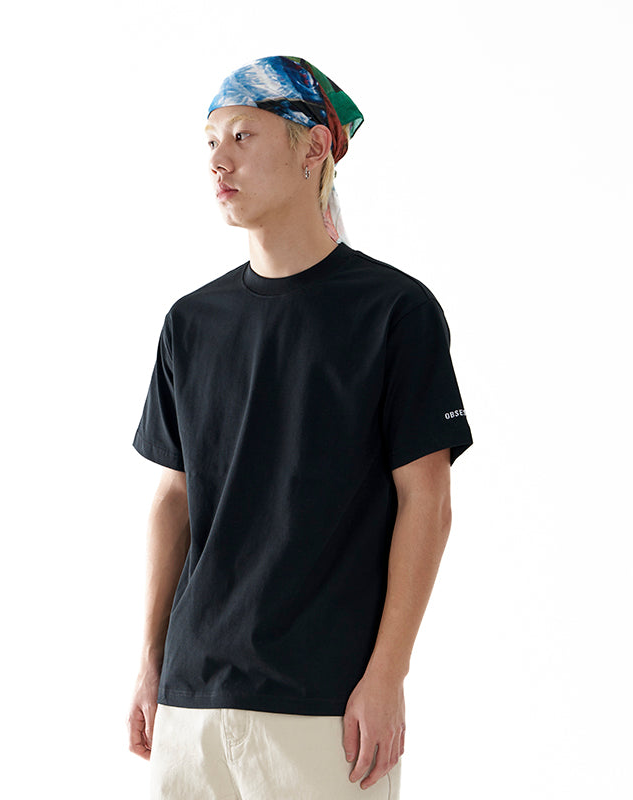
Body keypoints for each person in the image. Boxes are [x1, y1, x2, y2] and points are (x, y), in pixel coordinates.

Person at [127, 55, 473, 799]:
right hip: (190, 705)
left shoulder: (394, 312)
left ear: (315, 146)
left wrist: (387, 675)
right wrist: (150, 663)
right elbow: (172, 499)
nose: (218, 160)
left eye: (243, 136)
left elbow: (428, 500)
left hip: (324, 708)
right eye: (210, 141)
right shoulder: (191, 323)